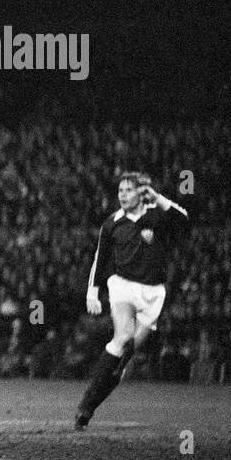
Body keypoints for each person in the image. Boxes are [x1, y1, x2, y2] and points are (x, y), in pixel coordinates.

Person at [76, 172, 189, 428]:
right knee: (123, 335)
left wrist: (158, 198)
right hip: (123, 286)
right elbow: (100, 258)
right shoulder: (112, 223)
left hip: (153, 293)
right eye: (120, 190)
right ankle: (85, 405)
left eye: (128, 190)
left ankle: (88, 407)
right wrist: (92, 292)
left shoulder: (156, 216)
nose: (122, 195)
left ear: (141, 193)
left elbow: (183, 221)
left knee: (122, 359)